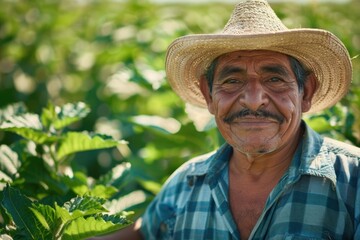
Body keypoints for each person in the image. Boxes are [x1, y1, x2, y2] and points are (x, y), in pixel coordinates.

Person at [93, 0, 359, 239]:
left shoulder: (353, 182)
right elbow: (143, 234)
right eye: (232, 81)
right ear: (209, 95)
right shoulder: (185, 185)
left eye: (274, 79)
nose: (254, 100)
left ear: (306, 92)